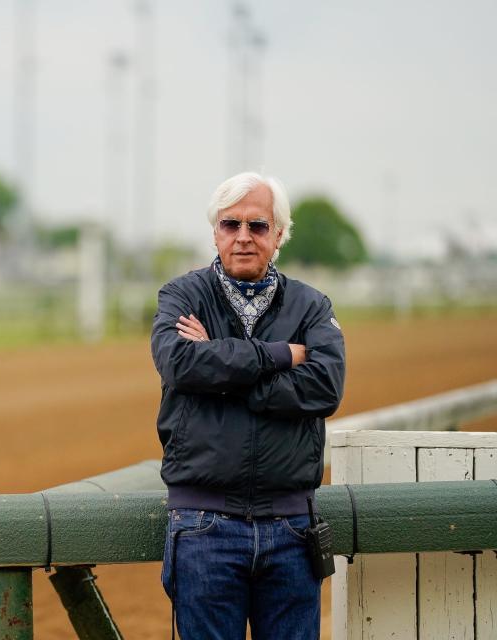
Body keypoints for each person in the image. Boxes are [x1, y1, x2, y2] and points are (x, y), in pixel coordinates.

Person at [152, 172, 345, 639]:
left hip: (292, 528)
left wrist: (223, 371)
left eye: (257, 226)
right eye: (230, 225)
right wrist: (280, 356)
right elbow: (179, 364)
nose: (243, 237)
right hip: (203, 527)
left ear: (279, 234)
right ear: (215, 232)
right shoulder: (182, 295)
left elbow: (325, 386)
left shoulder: (312, 306)